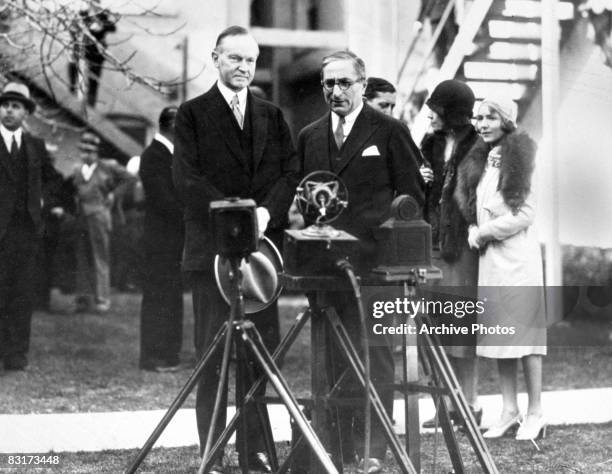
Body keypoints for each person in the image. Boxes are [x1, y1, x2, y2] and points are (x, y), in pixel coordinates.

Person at [172, 26, 298, 473]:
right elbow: (186, 180)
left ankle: (257, 452)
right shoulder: (191, 114)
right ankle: (211, 453)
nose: (243, 68)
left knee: (258, 360)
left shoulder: (271, 115)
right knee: (212, 360)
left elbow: (289, 172)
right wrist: (235, 217)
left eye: (250, 60)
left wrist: (266, 214)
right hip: (212, 255)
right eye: (234, 59)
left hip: (261, 257)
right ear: (216, 58)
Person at [297, 50, 424, 473]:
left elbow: (412, 199)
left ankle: (372, 447)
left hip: (374, 267)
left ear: (362, 86)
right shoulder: (310, 136)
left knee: (374, 355)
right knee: (330, 356)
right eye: (329, 84)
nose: (336, 91)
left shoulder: (389, 131)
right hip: (324, 267)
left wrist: (381, 239)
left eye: (344, 83)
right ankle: (334, 445)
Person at [455, 97, 547, 441]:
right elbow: (474, 207)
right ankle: (509, 410)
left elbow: (525, 213)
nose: (481, 123)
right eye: (477, 117)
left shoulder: (522, 156)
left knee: (526, 336)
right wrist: (471, 229)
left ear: (505, 120)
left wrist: (484, 232)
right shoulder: (481, 157)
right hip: (489, 259)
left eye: (489, 117)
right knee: (499, 335)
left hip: (517, 258)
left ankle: (536, 411)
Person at [419, 80, 482, 429]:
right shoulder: (430, 141)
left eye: (437, 109)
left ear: (451, 113)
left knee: (461, 328)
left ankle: (468, 404)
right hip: (431, 241)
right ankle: (442, 405)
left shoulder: (479, 144)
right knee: (432, 328)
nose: (431, 114)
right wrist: (422, 176)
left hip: (460, 247)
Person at [0, 81, 64, 370]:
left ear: (26, 113)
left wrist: (43, 202)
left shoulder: (34, 146)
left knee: (21, 295)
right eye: (5, 105)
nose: (9, 111)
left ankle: (16, 355)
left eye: (16, 106)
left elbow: (54, 180)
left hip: (25, 233)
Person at [139, 106, 184, 372]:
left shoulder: (167, 155)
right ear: (174, 127)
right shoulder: (154, 156)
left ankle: (167, 353)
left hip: (169, 239)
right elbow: (164, 200)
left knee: (168, 295)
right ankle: (155, 355)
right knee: (159, 296)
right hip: (160, 240)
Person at [71, 131, 135, 314]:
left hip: (99, 215)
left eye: (90, 151)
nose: (86, 154)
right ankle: (83, 298)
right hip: (81, 216)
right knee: (82, 256)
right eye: (83, 150)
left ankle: (102, 300)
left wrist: (114, 195)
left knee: (100, 258)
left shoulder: (108, 166)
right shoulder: (77, 169)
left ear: (96, 151)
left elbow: (130, 178)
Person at [68, 0, 117, 107]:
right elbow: (72, 29)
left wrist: (101, 26)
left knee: (93, 83)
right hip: (81, 52)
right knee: (74, 79)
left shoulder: (102, 16)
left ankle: (90, 107)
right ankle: (72, 104)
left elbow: (113, 28)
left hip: (96, 55)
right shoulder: (82, 15)